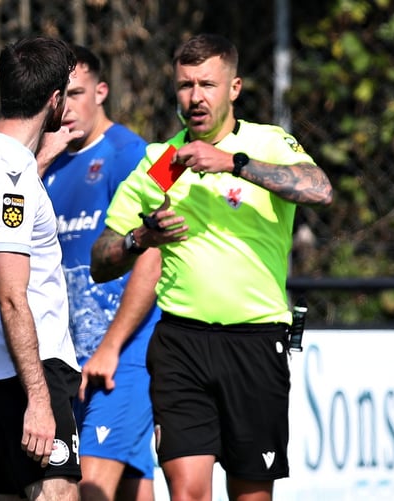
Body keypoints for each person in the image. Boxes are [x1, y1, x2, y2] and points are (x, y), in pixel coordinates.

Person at [89, 33, 333, 501]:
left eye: (207, 84)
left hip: (256, 341)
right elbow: (101, 260)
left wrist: (233, 164)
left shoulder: (267, 143)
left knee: (250, 494)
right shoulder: (165, 164)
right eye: (185, 85)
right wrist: (142, 238)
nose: (195, 97)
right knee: (187, 494)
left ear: (234, 88)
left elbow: (320, 189)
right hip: (182, 342)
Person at [0, 36, 82, 501]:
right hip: (33, 369)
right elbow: (11, 294)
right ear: (55, 99)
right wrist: (41, 401)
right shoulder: (12, 182)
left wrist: (37, 163)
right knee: (58, 494)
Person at [38, 45, 160, 501]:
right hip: (73, 360)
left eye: (76, 93)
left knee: (87, 489)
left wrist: (110, 348)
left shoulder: (129, 155)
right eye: (58, 96)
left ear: (101, 91)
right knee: (131, 490)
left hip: (121, 356)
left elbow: (153, 253)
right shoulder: (50, 162)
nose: (66, 107)